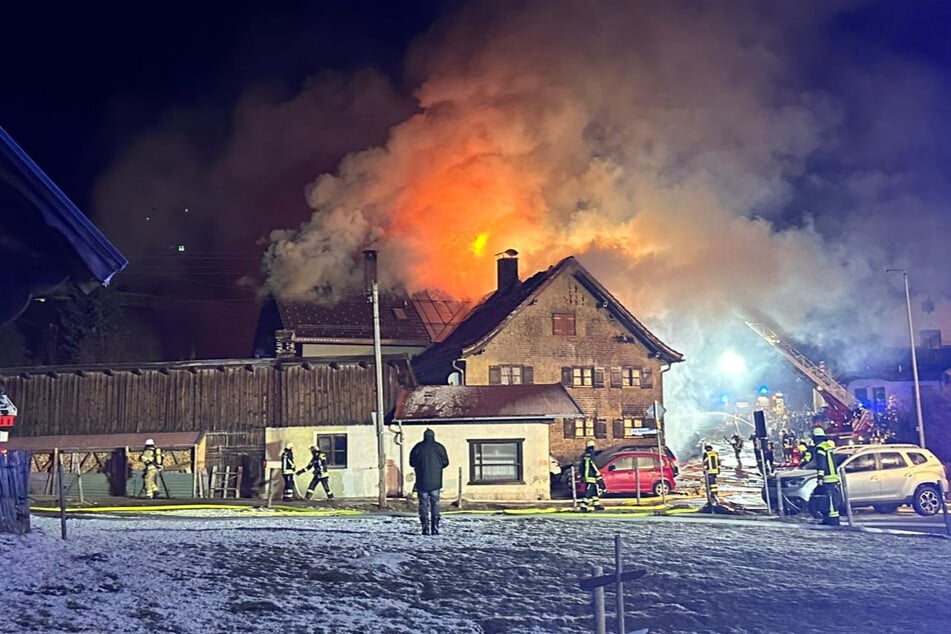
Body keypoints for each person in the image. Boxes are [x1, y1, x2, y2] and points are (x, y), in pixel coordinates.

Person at [409, 428, 450, 535]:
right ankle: (435, 527)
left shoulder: (418, 447)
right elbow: (446, 462)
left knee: (423, 503)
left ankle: (425, 527)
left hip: (421, 480)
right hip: (436, 481)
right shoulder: (439, 447)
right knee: (435, 503)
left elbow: (412, 462)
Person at [809, 427, 842, 526]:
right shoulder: (828, 446)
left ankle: (833, 520)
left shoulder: (820, 448)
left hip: (827, 477)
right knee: (831, 499)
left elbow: (821, 463)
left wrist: (820, 477)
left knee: (830, 499)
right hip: (833, 476)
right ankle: (830, 518)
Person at [579, 439, 605, 512]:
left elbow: (582, 467)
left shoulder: (585, 456)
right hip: (591, 477)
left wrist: (582, 475)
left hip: (587, 476)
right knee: (588, 493)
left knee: (594, 492)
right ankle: (583, 506)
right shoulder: (592, 455)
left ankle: (597, 505)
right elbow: (594, 465)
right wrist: (598, 473)